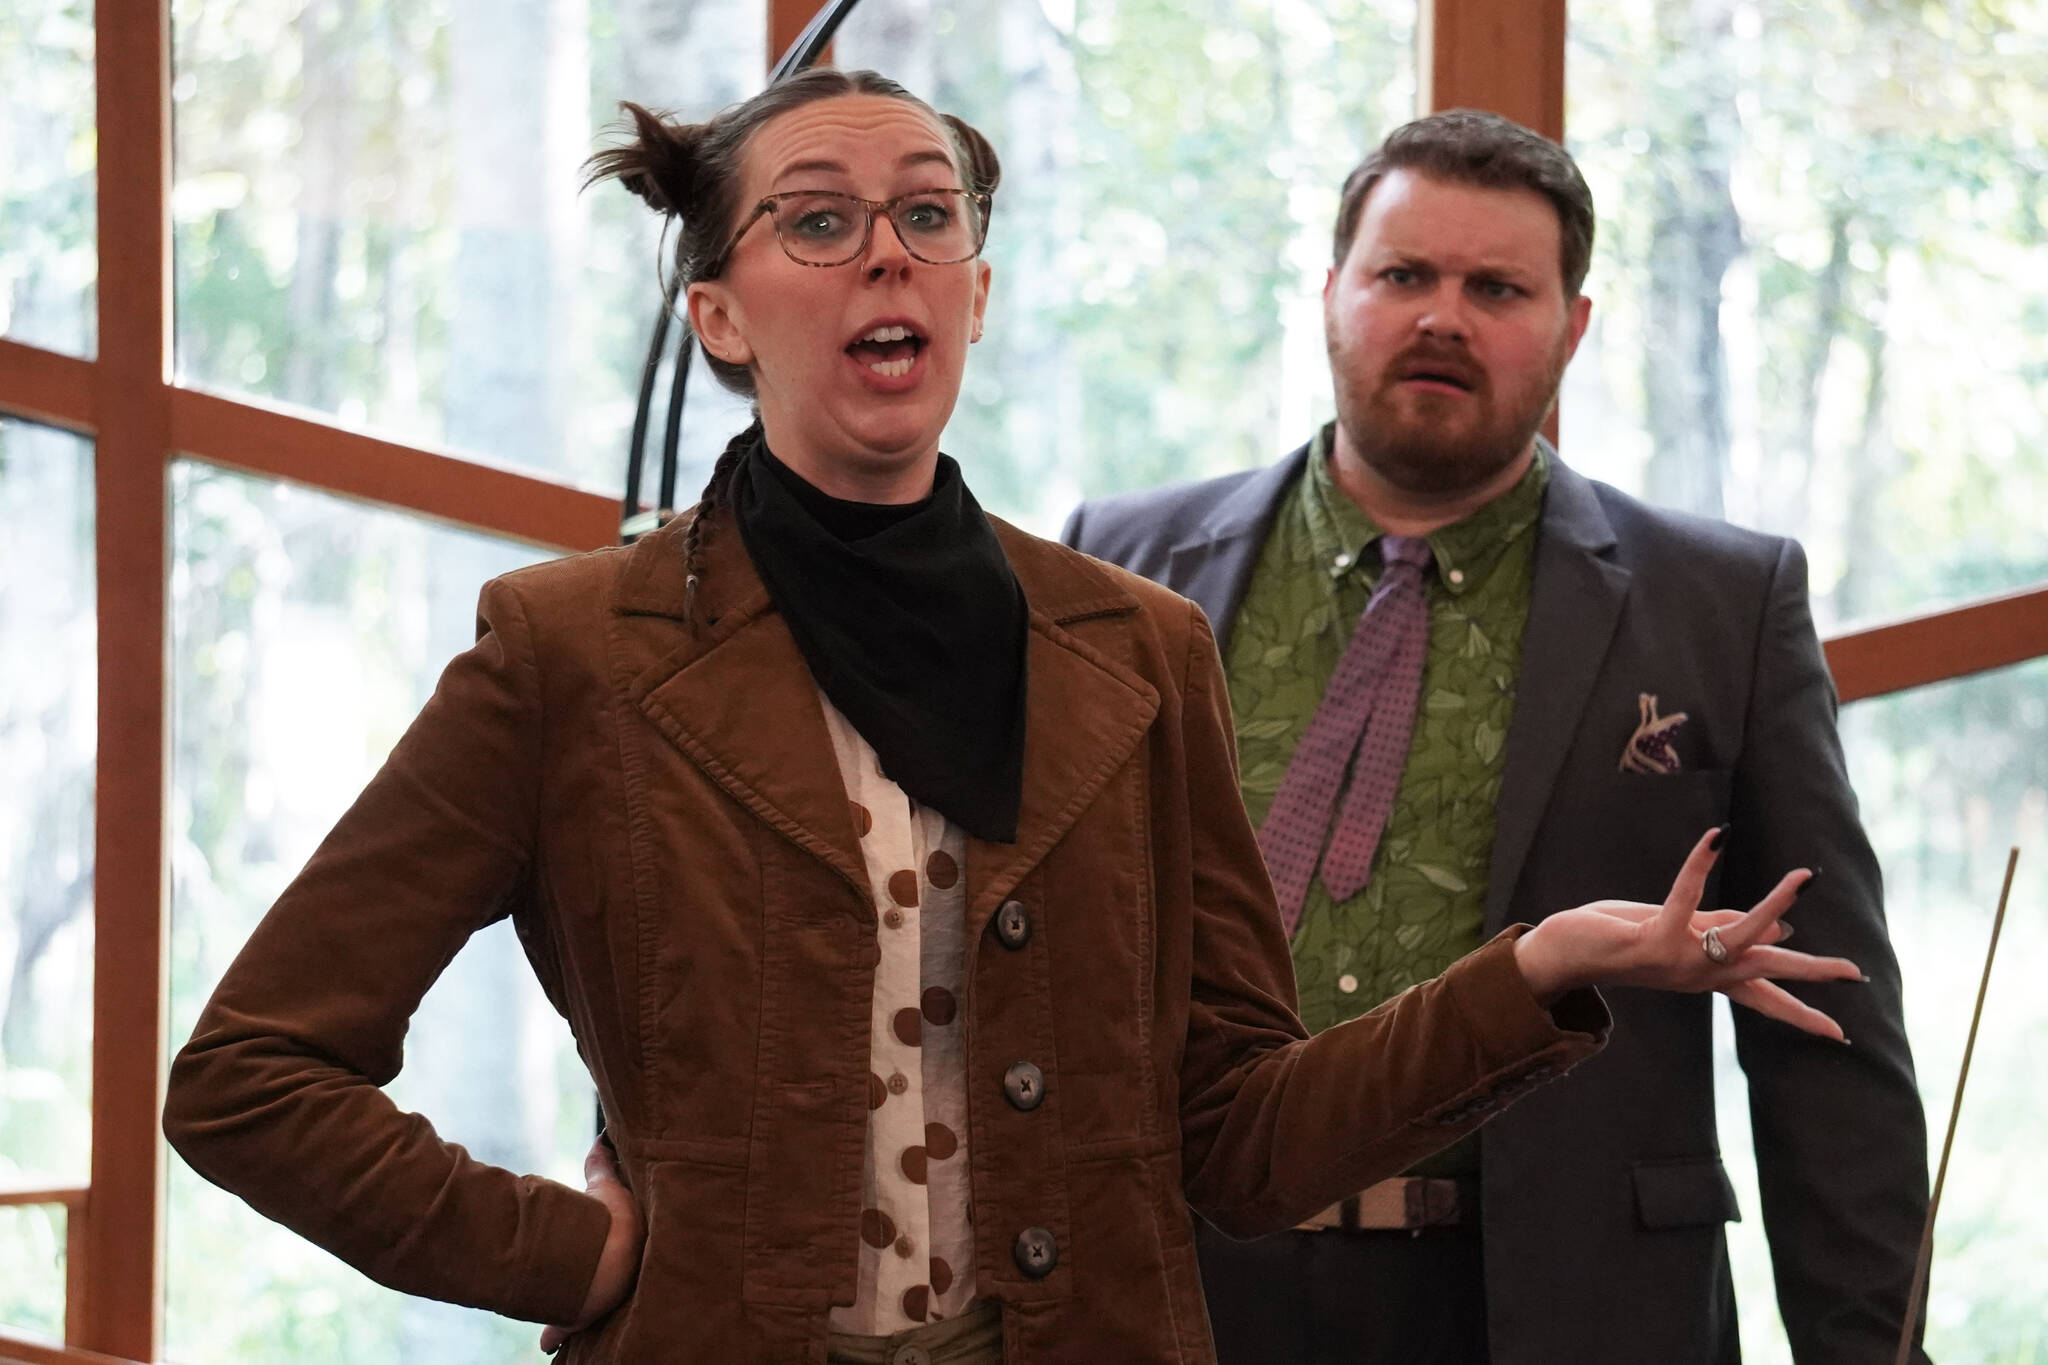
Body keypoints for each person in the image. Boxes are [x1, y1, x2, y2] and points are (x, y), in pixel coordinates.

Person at [163, 74, 1862, 1365]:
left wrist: (1537, 969)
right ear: (718, 317)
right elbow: (249, 1078)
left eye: (928, 214)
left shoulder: (1131, 643)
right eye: (816, 221)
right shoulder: (569, 649)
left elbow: (1236, 1138)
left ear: (974, 292)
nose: (885, 247)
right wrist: (573, 1260)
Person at [1063, 109, 1930, 1365]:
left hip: (1558, 1299)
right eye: (1402, 275)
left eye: (1496, 287)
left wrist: (1871, 1351)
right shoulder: (1117, 564)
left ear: (1571, 325)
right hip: (1175, 1287)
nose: (1441, 317)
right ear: (1328, 294)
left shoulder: (1720, 606)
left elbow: (1825, 1038)